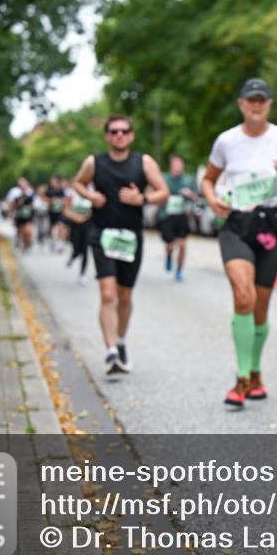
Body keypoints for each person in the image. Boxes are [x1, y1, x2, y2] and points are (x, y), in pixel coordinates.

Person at [201, 78, 277, 407]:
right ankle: (242, 376)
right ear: (241, 104)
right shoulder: (227, 141)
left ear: (270, 104)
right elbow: (208, 179)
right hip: (237, 224)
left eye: (262, 100)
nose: (257, 105)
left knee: (260, 308)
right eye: (251, 100)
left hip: (271, 226)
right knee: (243, 296)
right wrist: (212, 199)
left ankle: (257, 370)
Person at [72, 116, 168, 375]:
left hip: (130, 238)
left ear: (132, 136)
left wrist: (142, 198)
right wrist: (91, 195)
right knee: (107, 294)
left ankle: (121, 340)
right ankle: (111, 350)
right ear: (106, 136)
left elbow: (163, 192)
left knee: (125, 296)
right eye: (114, 131)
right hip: (101, 234)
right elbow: (78, 182)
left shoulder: (144, 162)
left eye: (124, 131)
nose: (119, 135)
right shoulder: (94, 162)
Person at [158, 155, 199, 281]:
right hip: (167, 215)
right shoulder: (163, 178)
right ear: (171, 166)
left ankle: (179, 270)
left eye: (179, 164)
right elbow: (155, 193)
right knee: (170, 244)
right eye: (175, 164)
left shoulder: (189, 180)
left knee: (182, 244)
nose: (177, 167)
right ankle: (169, 255)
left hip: (182, 215)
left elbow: (196, 197)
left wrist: (190, 194)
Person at [63, 184, 93, 285]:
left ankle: (82, 274)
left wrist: (88, 216)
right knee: (77, 248)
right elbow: (66, 210)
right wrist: (76, 217)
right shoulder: (71, 193)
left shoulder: (92, 191)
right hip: (75, 225)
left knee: (85, 249)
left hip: (88, 225)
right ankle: (73, 257)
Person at [6, 177, 36, 251]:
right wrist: (10, 213)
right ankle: (23, 243)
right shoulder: (16, 195)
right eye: (20, 185)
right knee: (21, 230)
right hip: (20, 215)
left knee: (28, 230)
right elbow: (13, 205)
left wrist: (30, 208)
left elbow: (33, 205)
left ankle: (28, 242)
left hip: (28, 215)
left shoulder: (30, 194)